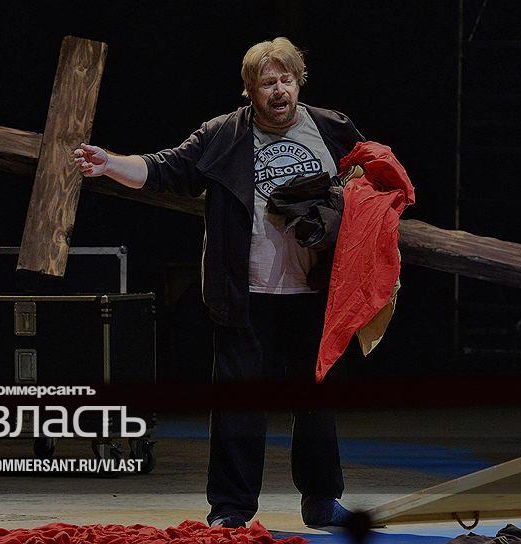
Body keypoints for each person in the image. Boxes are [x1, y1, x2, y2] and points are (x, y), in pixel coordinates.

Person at [74, 37, 363, 528]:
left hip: (314, 293)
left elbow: (369, 184)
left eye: (286, 79)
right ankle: (230, 510)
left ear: (299, 82)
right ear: (250, 89)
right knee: (237, 407)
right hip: (243, 294)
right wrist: (110, 163)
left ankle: (320, 500)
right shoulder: (223, 134)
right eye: (267, 82)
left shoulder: (332, 128)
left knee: (316, 402)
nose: (279, 90)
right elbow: (165, 168)